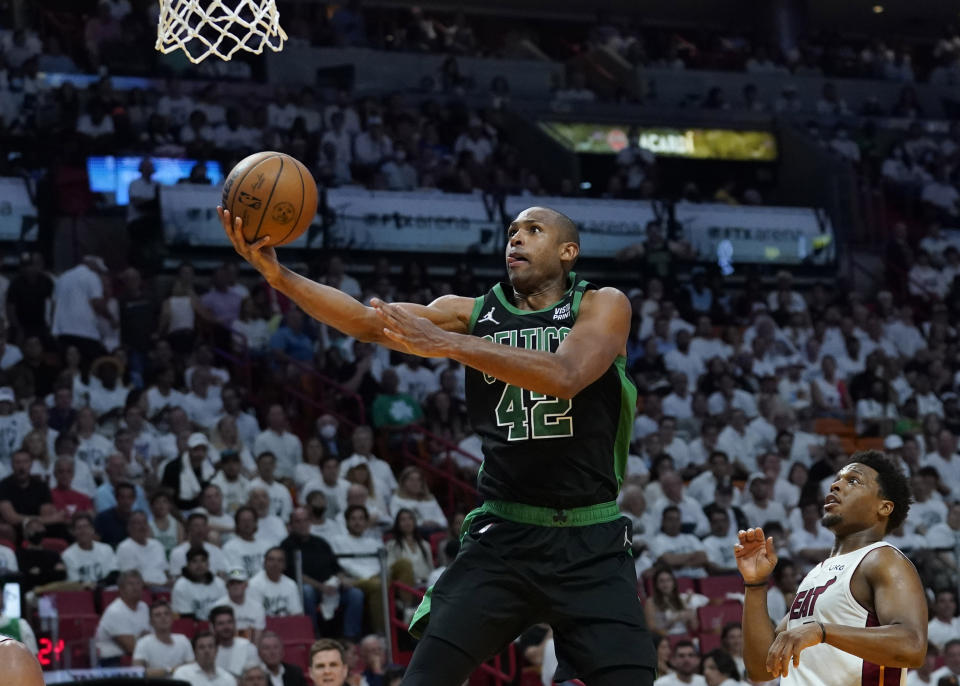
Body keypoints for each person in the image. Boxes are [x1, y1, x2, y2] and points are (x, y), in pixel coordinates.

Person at [221, 203, 657, 685]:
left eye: (533, 231)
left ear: (568, 251)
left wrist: (448, 345)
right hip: (505, 536)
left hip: (590, 540)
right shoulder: (470, 312)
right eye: (511, 231)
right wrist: (279, 276)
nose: (516, 238)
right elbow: (366, 321)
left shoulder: (602, 304)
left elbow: (567, 376)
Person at [737, 450, 927, 683]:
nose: (835, 485)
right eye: (837, 479)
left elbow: (912, 646)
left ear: (884, 507)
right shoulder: (817, 574)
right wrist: (755, 584)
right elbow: (762, 668)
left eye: (853, 481)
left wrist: (823, 631)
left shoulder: (883, 560)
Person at [94, 569, 151, 666]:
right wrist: (143, 639)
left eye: (138, 583)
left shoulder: (144, 607)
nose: (135, 587)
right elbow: (131, 647)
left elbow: (151, 637)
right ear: (121, 589)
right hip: (112, 662)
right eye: (131, 584)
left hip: (134, 658)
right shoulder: (115, 611)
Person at [132, 600, 194, 677]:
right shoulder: (143, 643)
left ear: (172, 618)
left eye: (166, 614)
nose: (163, 617)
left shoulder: (183, 640)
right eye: (158, 615)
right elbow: (137, 672)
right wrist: (171, 670)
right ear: (151, 621)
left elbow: (192, 669)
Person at [62, 511, 118, 586]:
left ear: (93, 529)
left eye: (86, 527)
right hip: (82, 595)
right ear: (73, 532)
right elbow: (75, 583)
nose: (83, 531)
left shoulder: (106, 549)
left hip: (106, 591)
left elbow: (114, 574)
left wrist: (98, 585)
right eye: (79, 528)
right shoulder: (67, 555)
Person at [171, 546, 227, 620]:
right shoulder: (181, 586)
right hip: (192, 627)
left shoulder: (219, 583)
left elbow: (226, 611)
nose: (199, 565)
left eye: (203, 560)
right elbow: (185, 617)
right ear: (188, 565)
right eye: (194, 561)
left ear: (208, 564)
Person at [172, 631, 236, 686]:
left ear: (216, 650)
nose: (206, 651)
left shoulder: (229, 679)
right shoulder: (182, 674)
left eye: (210, 646)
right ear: (194, 652)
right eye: (201, 647)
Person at [210, 605, 258, 678]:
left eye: (229, 622)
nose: (226, 627)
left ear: (235, 624)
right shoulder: (207, 650)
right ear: (213, 627)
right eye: (221, 623)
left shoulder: (248, 647)